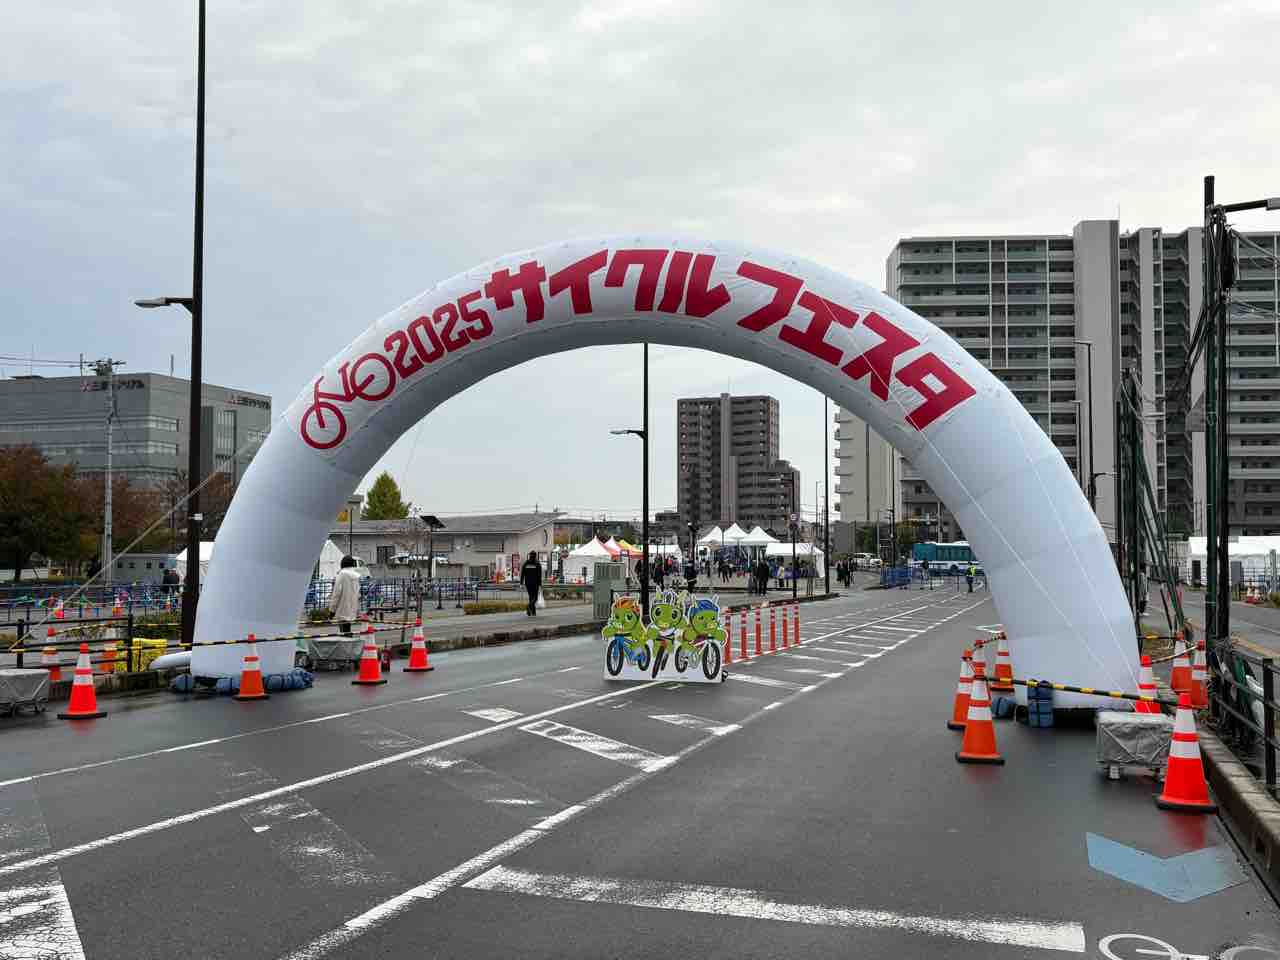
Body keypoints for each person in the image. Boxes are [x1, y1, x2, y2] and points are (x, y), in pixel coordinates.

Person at [331, 555, 362, 635]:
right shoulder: (356, 576)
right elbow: (358, 594)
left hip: (342, 608)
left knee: (343, 632)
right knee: (348, 629)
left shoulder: (342, 574)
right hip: (352, 608)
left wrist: (332, 610)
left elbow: (336, 593)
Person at [521, 550, 542, 617]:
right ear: (535, 556)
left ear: (529, 555)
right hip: (535, 583)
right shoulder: (537, 563)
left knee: (531, 597)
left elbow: (522, 573)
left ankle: (533, 612)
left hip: (527, 583)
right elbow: (539, 575)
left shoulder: (526, 563)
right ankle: (529, 606)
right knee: (535, 598)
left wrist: (521, 583)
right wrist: (540, 584)